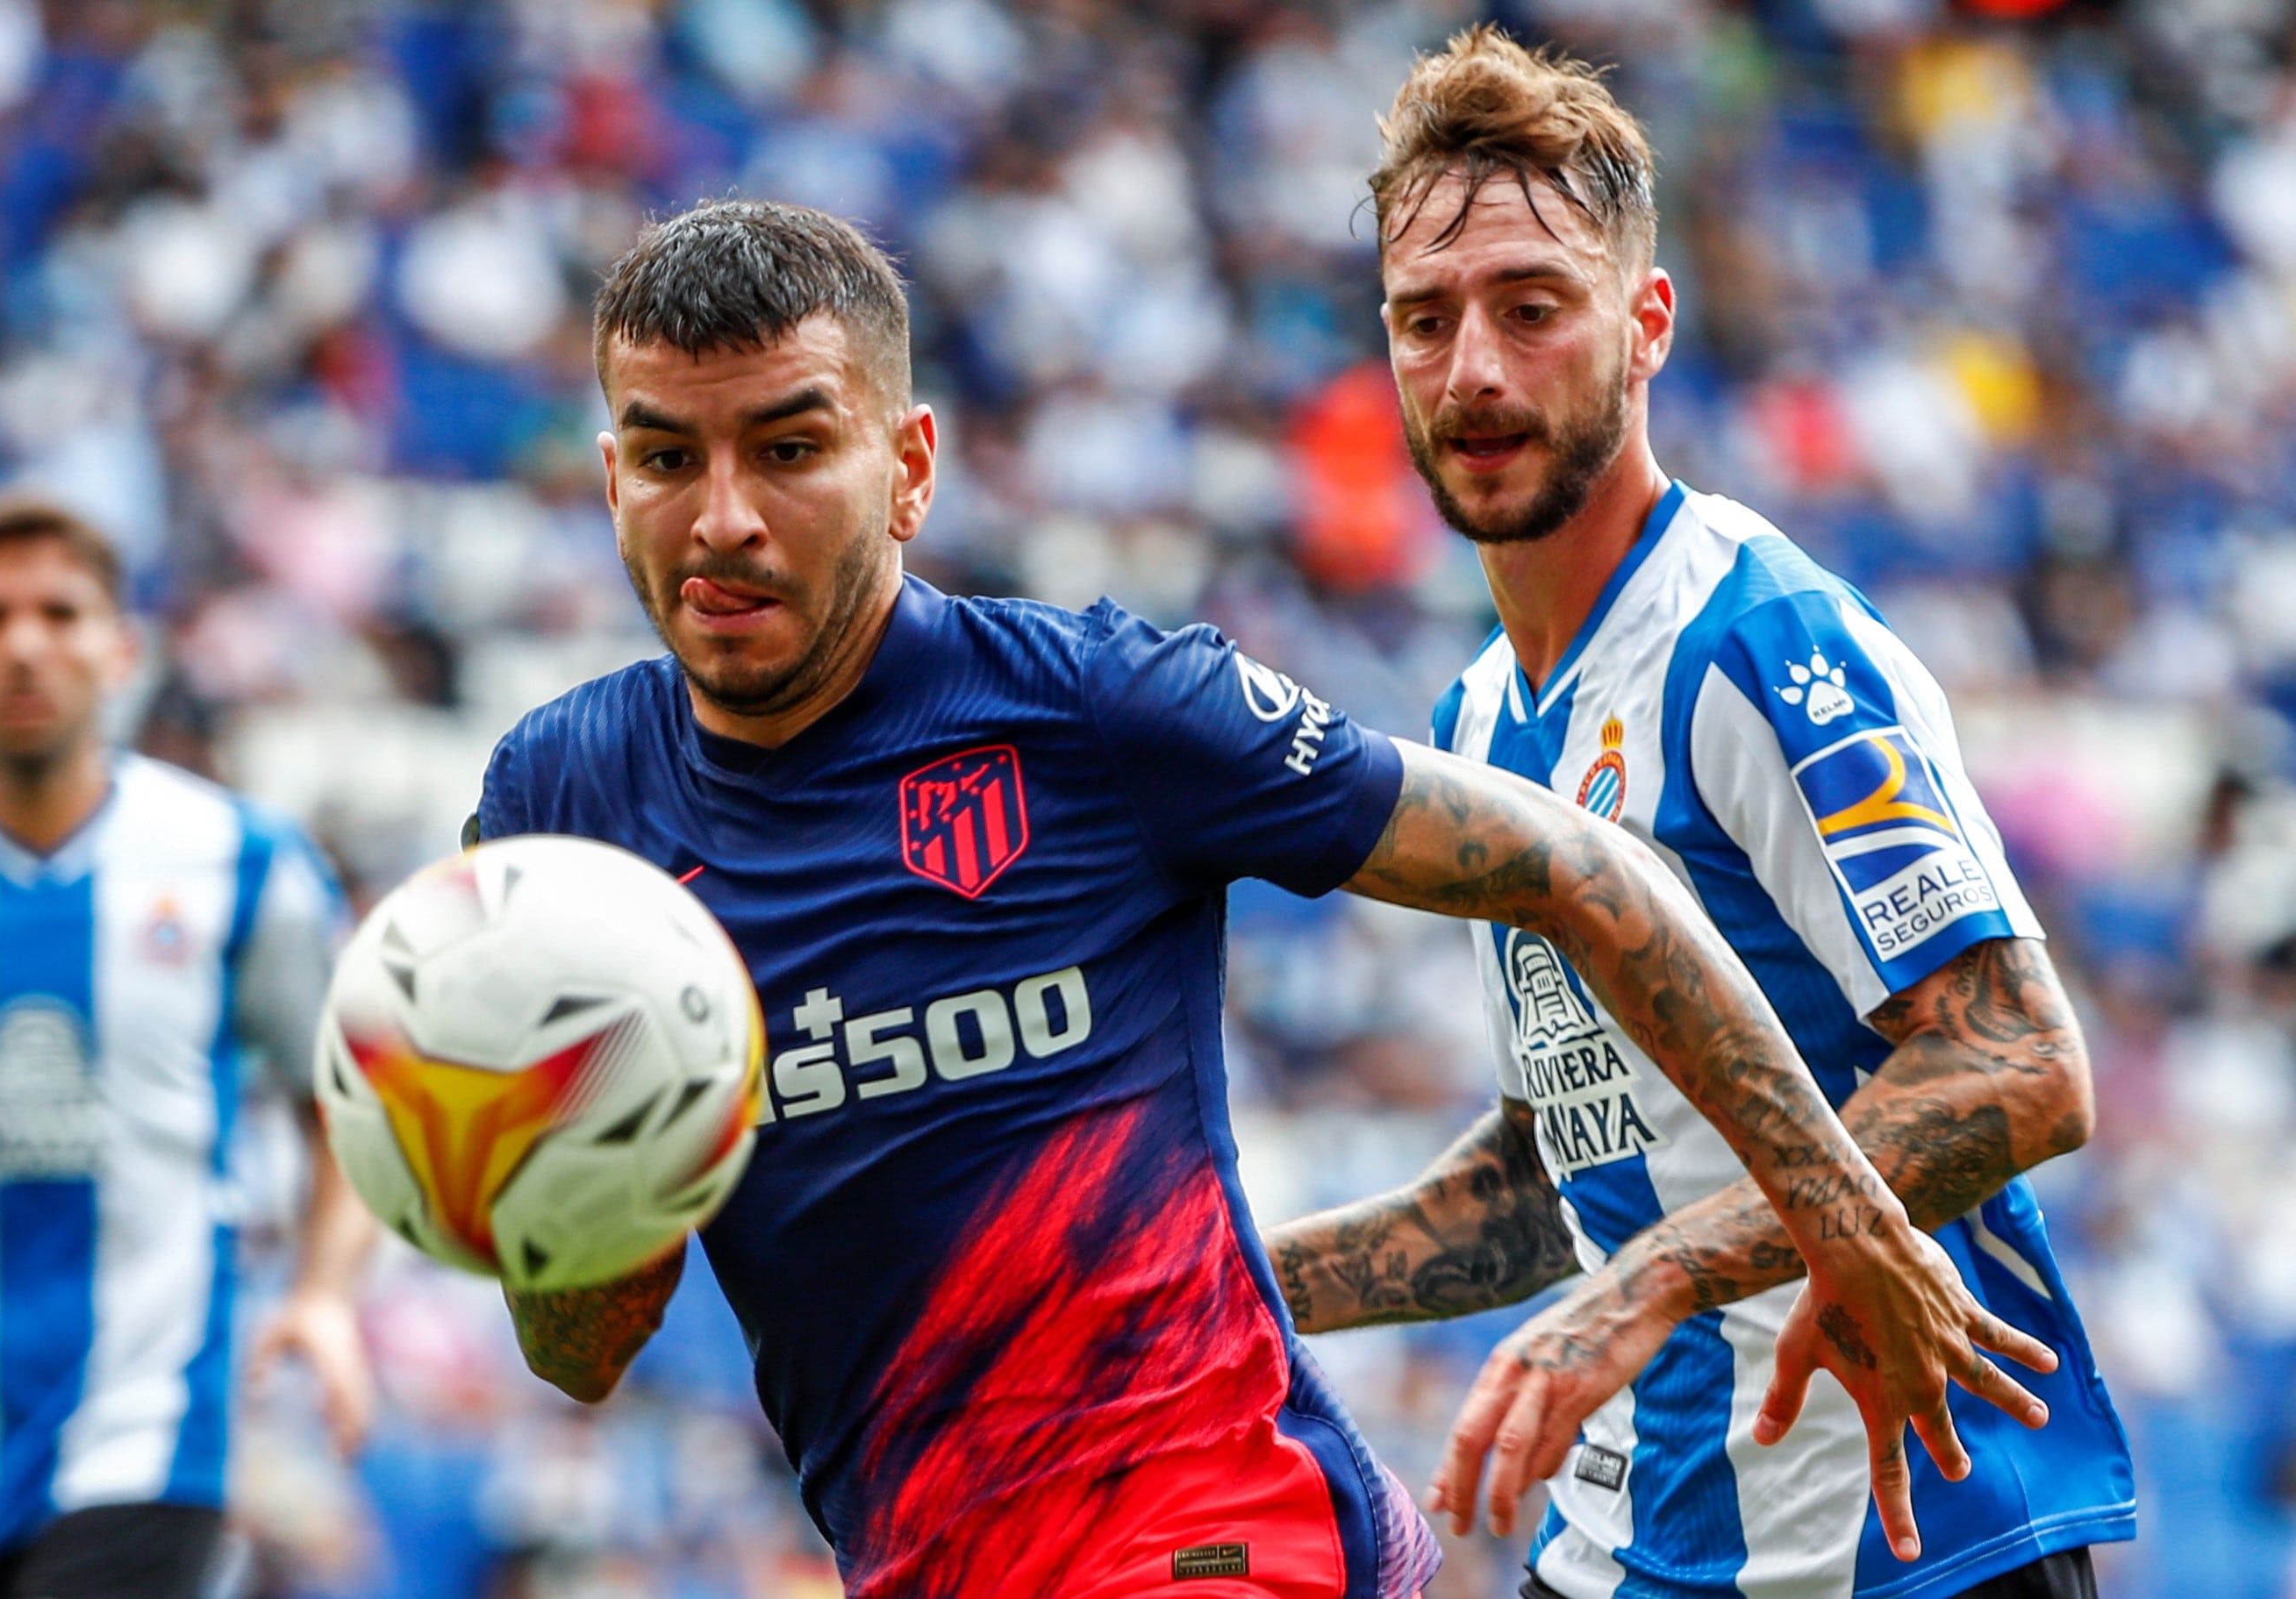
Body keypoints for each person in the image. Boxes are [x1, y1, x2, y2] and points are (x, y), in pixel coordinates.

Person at [469, 200, 2051, 1599]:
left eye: (790, 448)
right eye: (668, 459)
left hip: (1219, 1522)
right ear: (609, 475)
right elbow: (586, 1350)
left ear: (907, 466)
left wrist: (1840, 1223)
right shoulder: (561, 811)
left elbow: (1579, 863)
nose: (722, 518)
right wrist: (583, 1154)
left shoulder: (1095, 708)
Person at [1264, 26, 2134, 1599]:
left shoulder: (1755, 639)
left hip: (1897, 1533)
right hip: (1638, 1539)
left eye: (1531, 308)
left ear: (1643, 321)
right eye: (1423, 319)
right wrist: (1225, 1286)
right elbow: (1565, 1166)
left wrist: (1653, 1276)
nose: (1472, 367)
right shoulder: (1474, 718)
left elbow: (2016, 1062)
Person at [0, 496, 380, 1599]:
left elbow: (350, 1100)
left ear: (123, 647)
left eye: (59, 611)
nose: (23, 641)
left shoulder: (241, 863)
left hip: (147, 1425)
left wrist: (323, 1289)